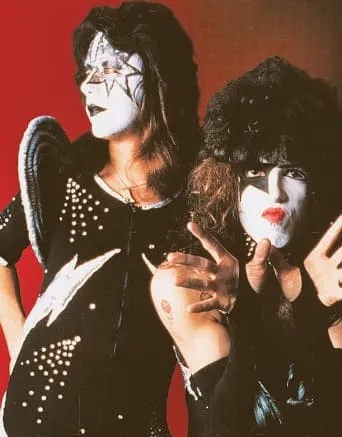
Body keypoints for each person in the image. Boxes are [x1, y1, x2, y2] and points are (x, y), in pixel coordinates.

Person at [150, 56, 342, 437]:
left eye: (293, 172)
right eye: (256, 170)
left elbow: (331, 425)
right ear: (227, 180)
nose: (275, 192)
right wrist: (244, 311)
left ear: (318, 186)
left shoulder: (338, 277)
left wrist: (309, 306)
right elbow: (227, 427)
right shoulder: (187, 281)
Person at [0, 2, 200, 435]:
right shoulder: (62, 176)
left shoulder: (200, 203)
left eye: (109, 68)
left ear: (159, 74)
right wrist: (19, 342)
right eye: (87, 71)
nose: (90, 84)